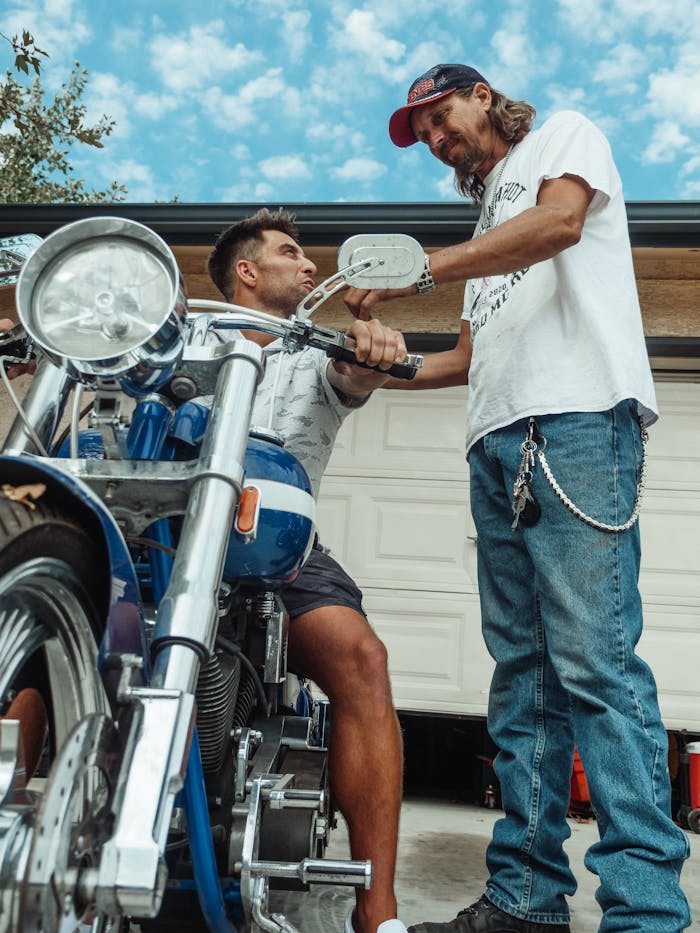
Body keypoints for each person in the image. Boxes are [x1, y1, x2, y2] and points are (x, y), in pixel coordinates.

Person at [344, 64, 691, 932]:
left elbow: (563, 224)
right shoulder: (490, 214)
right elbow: (463, 358)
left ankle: (646, 909)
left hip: (573, 423)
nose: (432, 136)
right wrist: (377, 365)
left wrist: (423, 268)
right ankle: (527, 896)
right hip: (495, 441)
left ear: (484, 96)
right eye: (418, 131)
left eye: (438, 113)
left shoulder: (560, 140)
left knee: (597, 668)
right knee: (523, 679)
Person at [206, 208, 408, 933]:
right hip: (168, 539)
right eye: (292, 253)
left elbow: (350, 373)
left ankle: (376, 910)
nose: (310, 265)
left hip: (278, 547)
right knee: (48, 626)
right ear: (248, 272)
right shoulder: (176, 345)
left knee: (364, 661)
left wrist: (370, 349)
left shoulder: (311, 351)